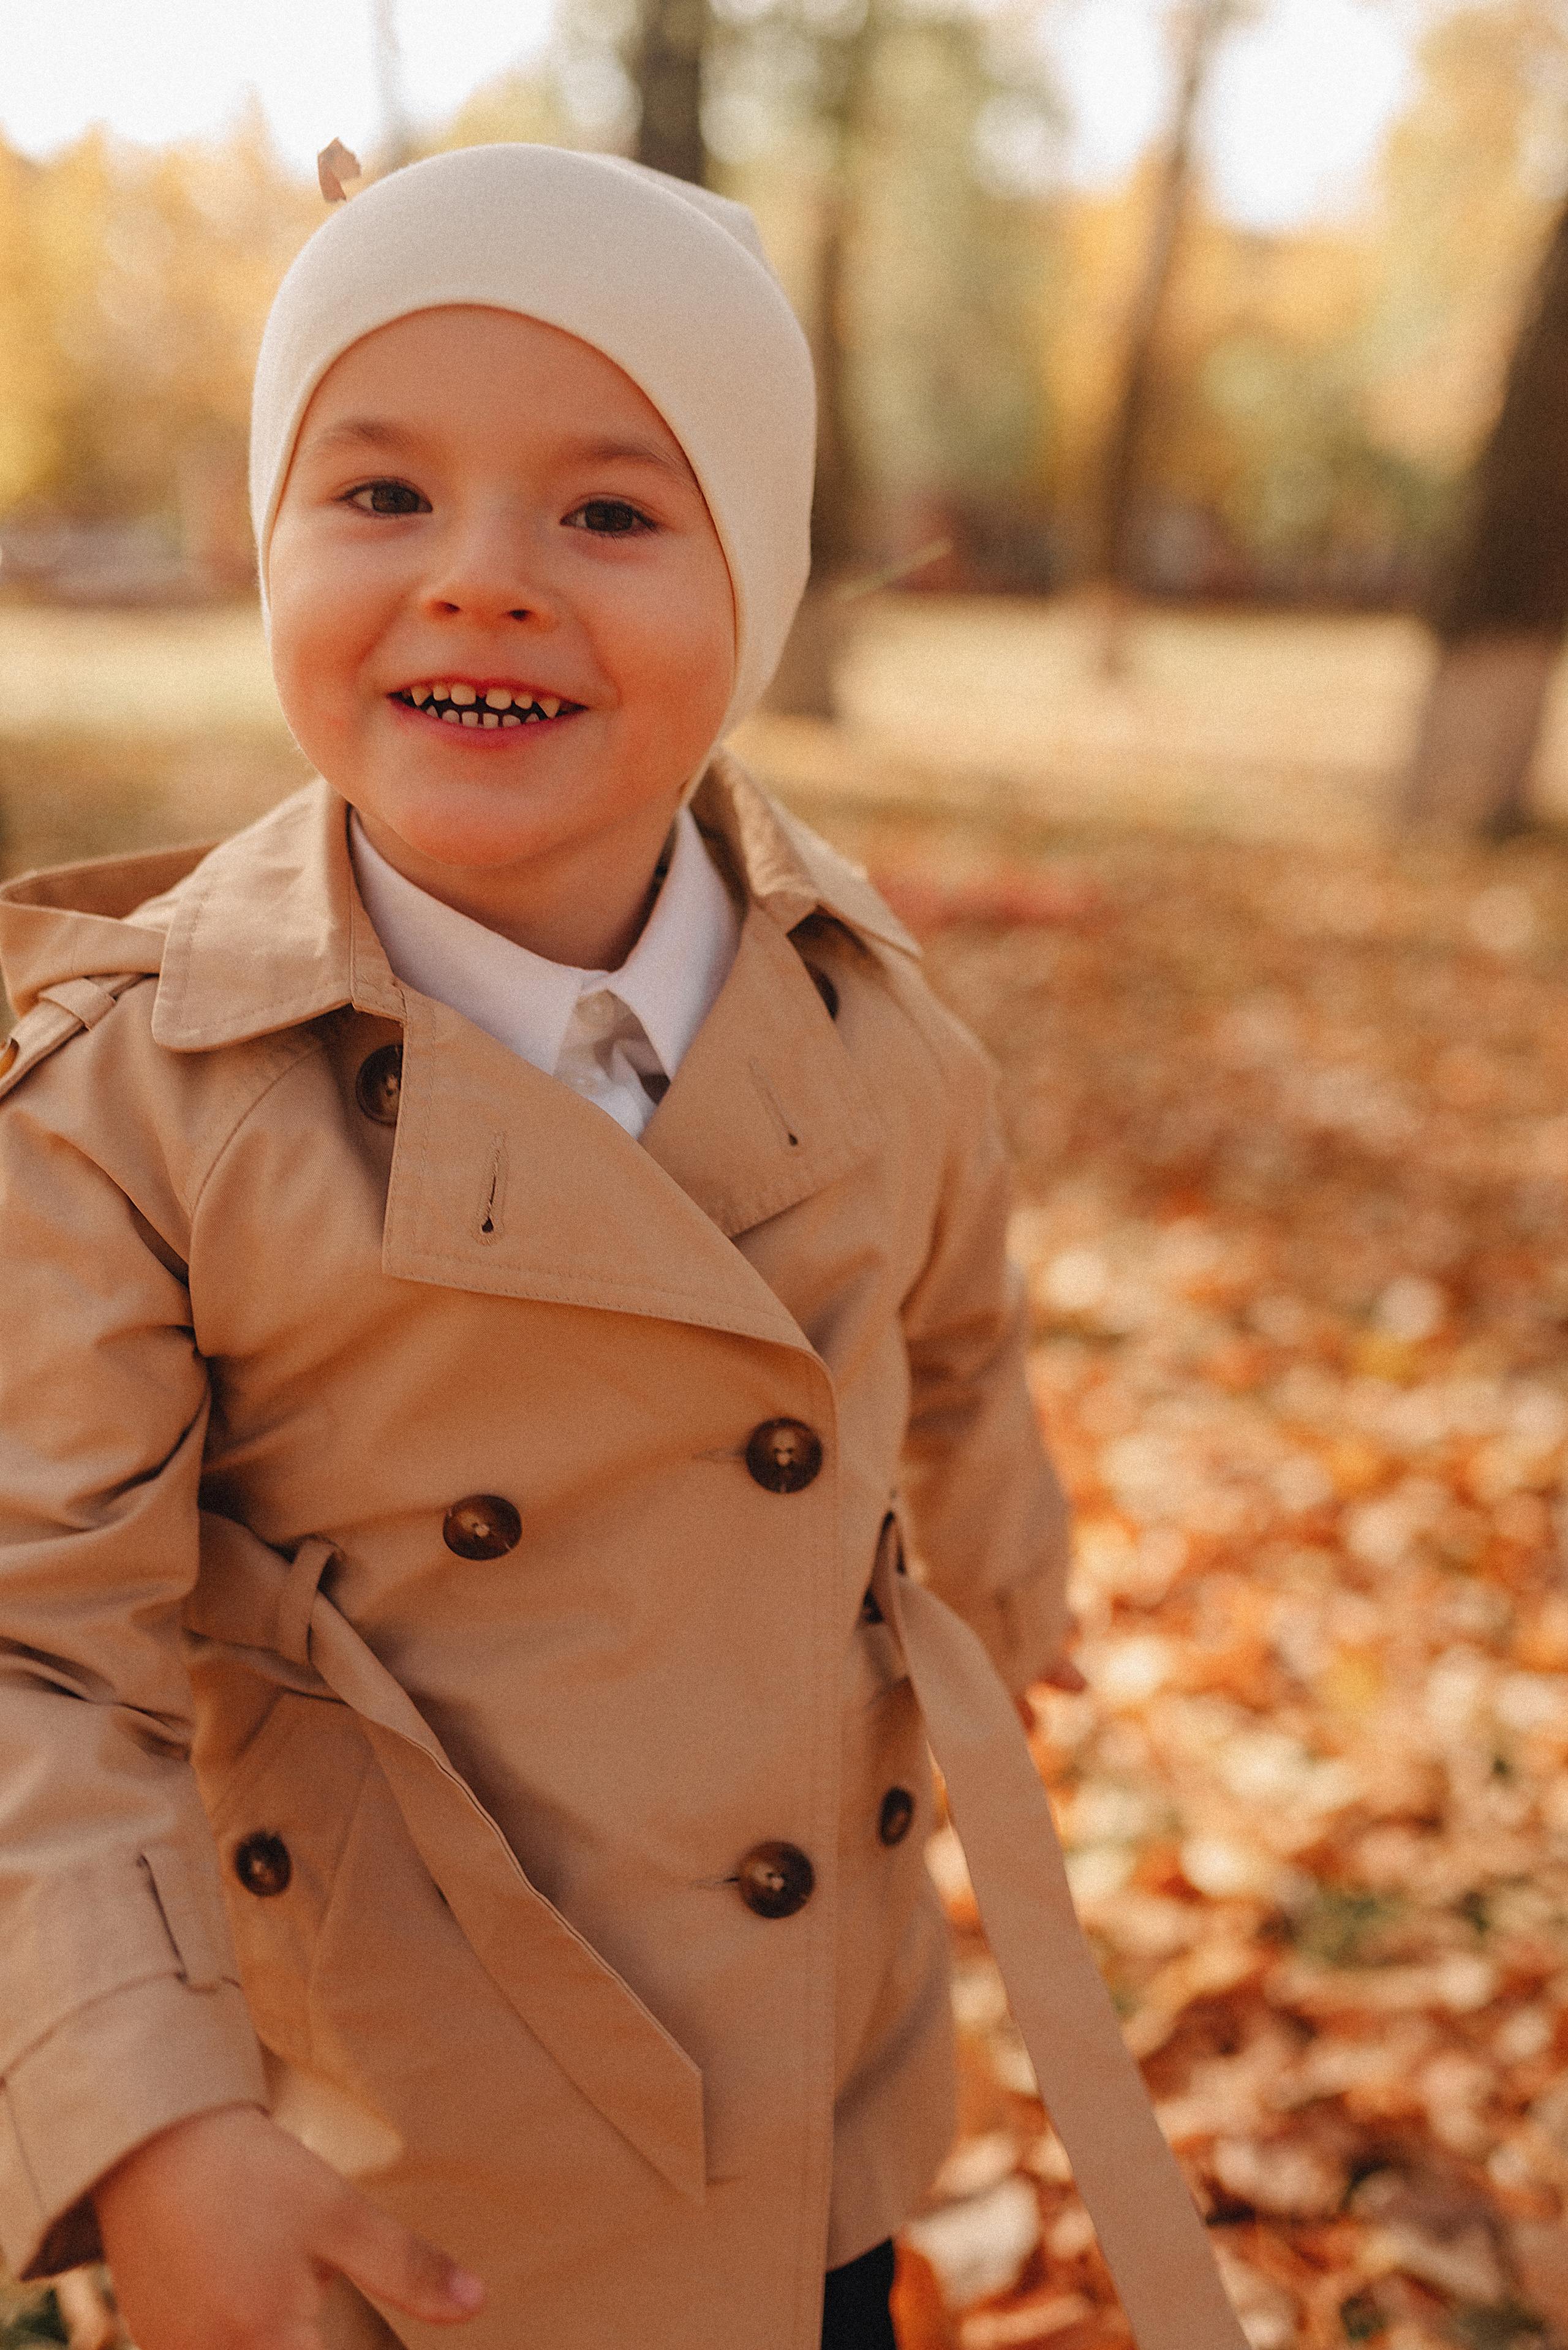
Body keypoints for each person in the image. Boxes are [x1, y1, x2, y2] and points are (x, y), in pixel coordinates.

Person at [0, 147, 1244, 2350]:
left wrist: (1005, 1576)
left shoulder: (869, 1026)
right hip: (367, 2172)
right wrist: (144, 2118)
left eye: (607, 512)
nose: (482, 580)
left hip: (801, 2106)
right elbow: (32, 1644)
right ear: (267, 541)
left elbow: (955, 1342)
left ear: (754, 586)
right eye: (382, 494)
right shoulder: (131, 1099)